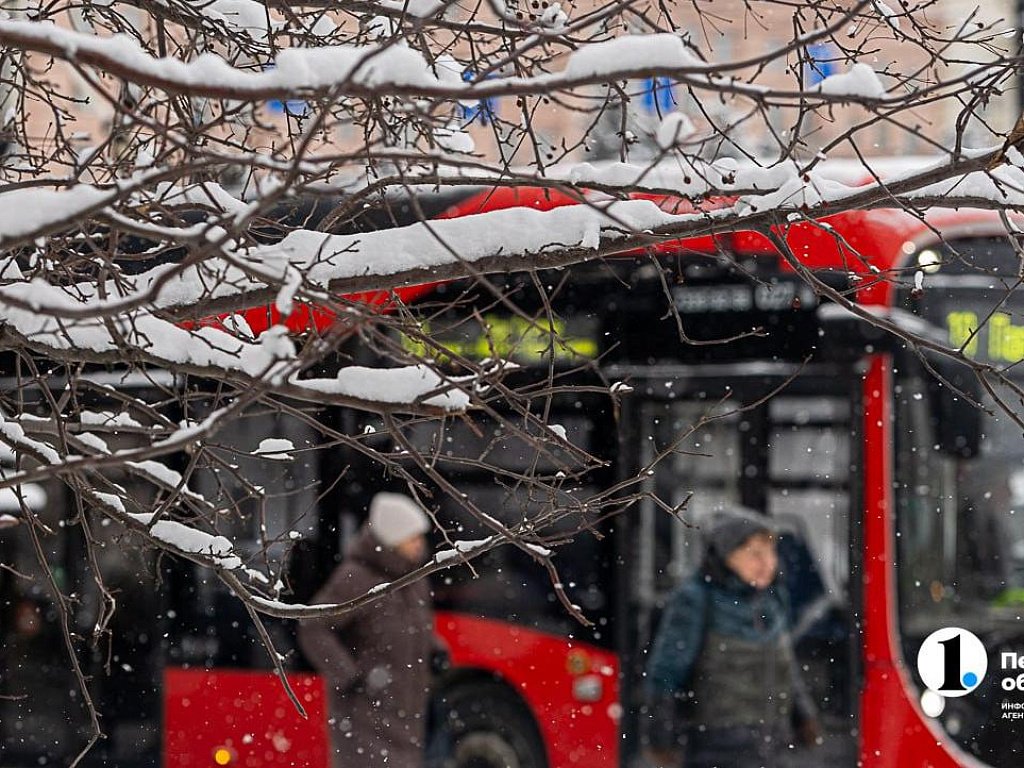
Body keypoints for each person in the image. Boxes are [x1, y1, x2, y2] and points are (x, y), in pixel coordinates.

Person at [643, 506, 821, 768]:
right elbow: (666, 673)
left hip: (773, 745)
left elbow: (786, 665)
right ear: (726, 556)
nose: (767, 563)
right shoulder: (696, 598)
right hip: (717, 748)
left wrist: (804, 716)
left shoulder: (771, 598)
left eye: (771, 552)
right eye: (754, 553)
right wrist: (660, 740)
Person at [298, 492, 434, 768]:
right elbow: (313, 627)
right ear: (393, 540)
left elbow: (410, 629)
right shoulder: (356, 578)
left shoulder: (414, 580)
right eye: (412, 538)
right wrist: (350, 676)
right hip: (364, 719)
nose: (419, 545)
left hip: (407, 717)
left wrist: (436, 650)